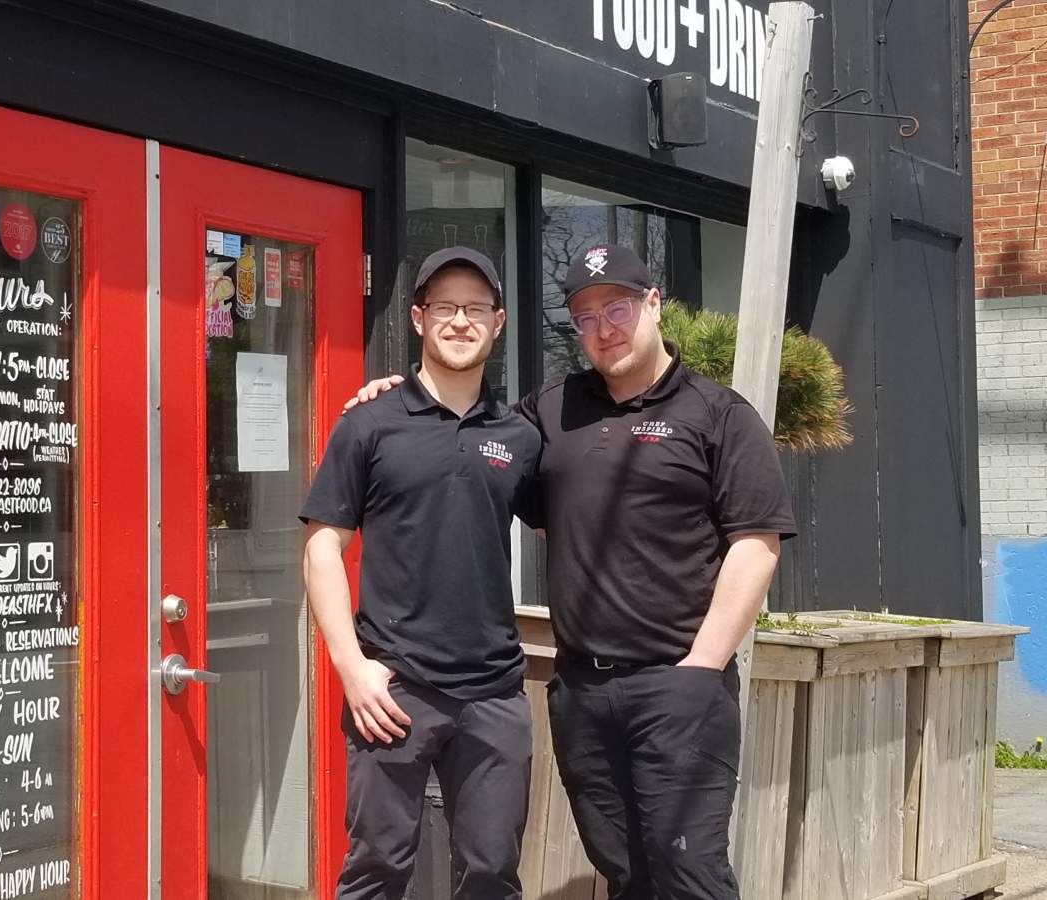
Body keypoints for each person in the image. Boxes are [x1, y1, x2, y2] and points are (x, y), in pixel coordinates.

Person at [349, 243, 796, 900]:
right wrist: (394, 394)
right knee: (623, 870)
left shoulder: (718, 415)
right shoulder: (551, 413)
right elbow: (470, 444)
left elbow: (756, 544)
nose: (602, 328)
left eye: (616, 308)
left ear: (653, 303)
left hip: (677, 682)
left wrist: (702, 666)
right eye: (584, 317)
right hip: (581, 691)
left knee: (689, 872)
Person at [301, 246, 542, 900]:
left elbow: (573, 518)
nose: (458, 321)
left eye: (474, 308)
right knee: (377, 870)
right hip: (393, 689)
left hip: (494, 695)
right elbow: (323, 547)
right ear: (416, 318)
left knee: (492, 874)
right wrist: (351, 667)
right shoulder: (369, 425)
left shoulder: (518, 436)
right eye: (443, 307)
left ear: (497, 322)